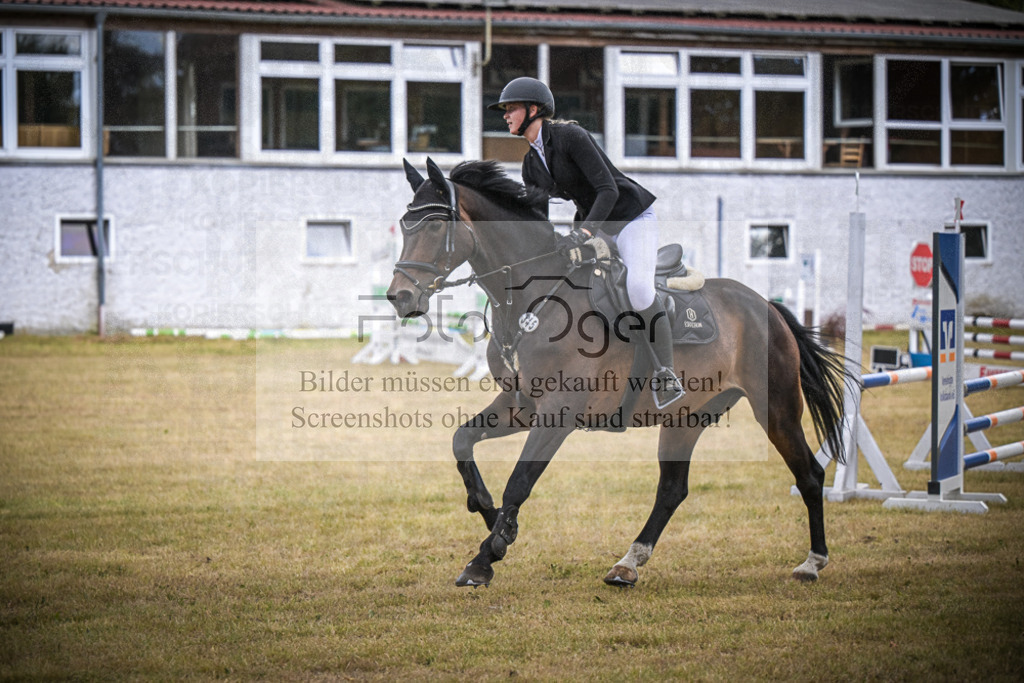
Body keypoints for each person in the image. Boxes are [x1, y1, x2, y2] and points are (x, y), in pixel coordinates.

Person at [488, 77, 684, 408]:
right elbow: (540, 218)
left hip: (629, 218)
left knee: (638, 289)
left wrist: (585, 233)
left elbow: (608, 189)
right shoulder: (531, 163)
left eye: (511, 109)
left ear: (534, 110)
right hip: (594, 224)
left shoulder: (570, 137)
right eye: (505, 110)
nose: (505, 116)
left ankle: (666, 373)